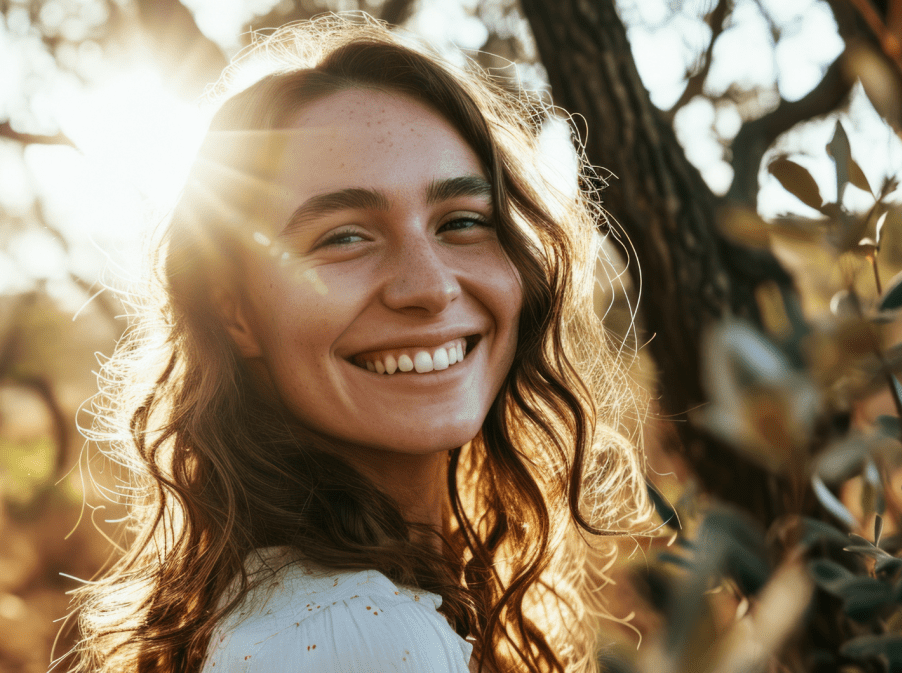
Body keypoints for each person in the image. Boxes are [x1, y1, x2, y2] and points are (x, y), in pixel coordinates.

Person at [69, 13, 649, 673]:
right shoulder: (361, 635)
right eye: (344, 235)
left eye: (461, 220)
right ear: (235, 314)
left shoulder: (305, 598)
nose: (428, 287)